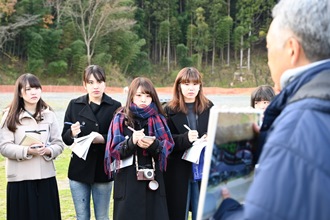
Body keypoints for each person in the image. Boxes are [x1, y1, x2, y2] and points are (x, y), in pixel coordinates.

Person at [214, 0, 330, 219]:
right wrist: (270, 143)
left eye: (268, 48)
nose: (268, 61)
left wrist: (226, 209)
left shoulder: (298, 125)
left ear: (292, 50)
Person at [104, 77, 174, 220]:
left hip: (154, 182)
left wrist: (153, 145)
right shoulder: (121, 117)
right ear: (131, 96)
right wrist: (131, 142)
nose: (143, 100)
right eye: (139, 95)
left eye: (148, 96)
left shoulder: (159, 118)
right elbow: (114, 151)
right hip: (128, 183)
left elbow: (168, 147)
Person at [0, 73, 64, 220]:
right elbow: (4, 146)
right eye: (28, 89)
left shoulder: (49, 115)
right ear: (20, 93)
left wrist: (48, 150)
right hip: (20, 180)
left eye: (36, 88)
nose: (33, 92)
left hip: (46, 178)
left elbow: (58, 143)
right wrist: (27, 150)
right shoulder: (9, 116)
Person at [61, 65, 121, 220]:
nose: (96, 86)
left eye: (99, 81)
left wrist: (103, 138)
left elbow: (120, 137)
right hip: (79, 169)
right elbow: (65, 139)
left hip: (103, 168)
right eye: (91, 82)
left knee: (102, 216)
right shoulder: (74, 104)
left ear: (105, 83)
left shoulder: (115, 106)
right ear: (84, 84)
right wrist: (71, 133)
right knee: (82, 216)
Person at [164, 67, 213, 220]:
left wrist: (209, 137)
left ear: (200, 86)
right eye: (186, 84)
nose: (191, 88)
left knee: (203, 214)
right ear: (178, 86)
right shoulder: (168, 109)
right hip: (179, 170)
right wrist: (185, 138)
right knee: (179, 213)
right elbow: (164, 141)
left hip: (202, 170)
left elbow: (219, 133)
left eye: (194, 84)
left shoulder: (209, 107)